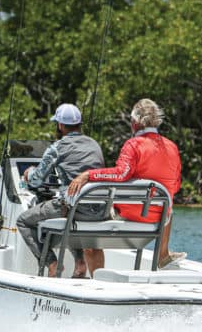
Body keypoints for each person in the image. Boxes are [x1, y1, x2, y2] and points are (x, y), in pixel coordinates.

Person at [67, 98, 184, 271]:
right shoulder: (172, 147)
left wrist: (87, 175)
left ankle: (89, 272)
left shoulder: (133, 145)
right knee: (168, 204)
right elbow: (176, 185)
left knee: (86, 211)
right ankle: (163, 255)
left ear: (135, 123)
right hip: (160, 218)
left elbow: (120, 173)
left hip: (130, 214)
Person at [17, 103, 105, 278]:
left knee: (23, 221)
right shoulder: (94, 144)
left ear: (60, 125)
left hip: (75, 209)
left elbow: (37, 180)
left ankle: (51, 263)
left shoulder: (57, 147)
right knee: (69, 212)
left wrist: (28, 174)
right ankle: (80, 264)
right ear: (79, 124)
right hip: (99, 209)